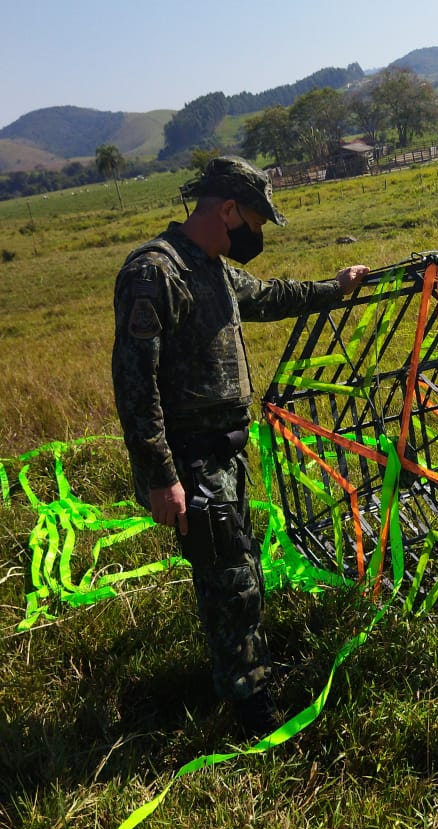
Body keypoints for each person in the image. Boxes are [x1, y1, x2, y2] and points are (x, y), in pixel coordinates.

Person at [111, 156, 369, 737]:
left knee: (238, 569)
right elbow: (135, 384)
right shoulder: (157, 273)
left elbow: (273, 297)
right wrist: (162, 477)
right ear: (226, 209)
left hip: (226, 452)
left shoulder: (215, 269)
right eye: (253, 220)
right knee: (233, 582)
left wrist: (337, 287)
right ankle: (253, 712)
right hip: (192, 458)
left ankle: (239, 677)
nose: (255, 235)